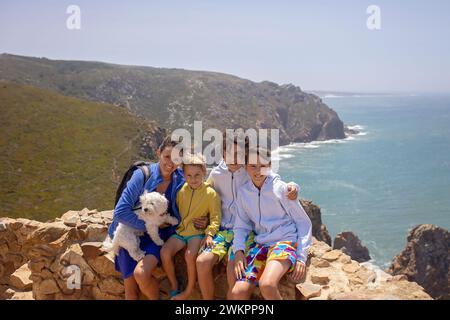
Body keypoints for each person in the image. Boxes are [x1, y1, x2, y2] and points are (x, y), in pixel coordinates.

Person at [196, 131, 301, 300]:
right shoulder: (216, 174)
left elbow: (274, 180)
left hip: (246, 232)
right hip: (223, 230)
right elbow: (205, 195)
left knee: (233, 269)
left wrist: (293, 186)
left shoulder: (250, 170)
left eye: (239, 154)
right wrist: (204, 218)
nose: (234, 158)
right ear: (223, 152)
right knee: (201, 262)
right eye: (230, 153)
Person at [108, 136, 209, 300]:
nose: (170, 163)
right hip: (130, 232)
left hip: (156, 237)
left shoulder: (181, 180)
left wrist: (205, 220)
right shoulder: (142, 176)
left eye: (176, 159)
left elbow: (200, 198)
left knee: (141, 274)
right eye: (167, 156)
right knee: (131, 292)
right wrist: (148, 225)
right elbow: (120, 212)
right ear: (158, 153)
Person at [230, 145, 312, 300]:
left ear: (270, 166)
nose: (258, 170)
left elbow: (303, 222)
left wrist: (301, 257)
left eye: (263, 166)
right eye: (253, 166)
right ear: (246, 167)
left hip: (284, 242)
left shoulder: (281, 189)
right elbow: (241, 226)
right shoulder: (243, 192)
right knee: (237, 292)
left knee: (267, 284)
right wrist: (239, 251)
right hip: (261, 245)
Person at [160, 153, 221, 300]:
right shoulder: (181, 191)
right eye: (189, 175)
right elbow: (176, 211)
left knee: (190, 255)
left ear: (204, 173)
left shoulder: (210, 194)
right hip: (181, 231)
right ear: (184, 175)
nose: (193, 179)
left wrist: (209, 233)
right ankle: (174, 286)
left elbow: (215, 217)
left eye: (197, 175)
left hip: (197, 233)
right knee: (165, 252)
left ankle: (188, 290)